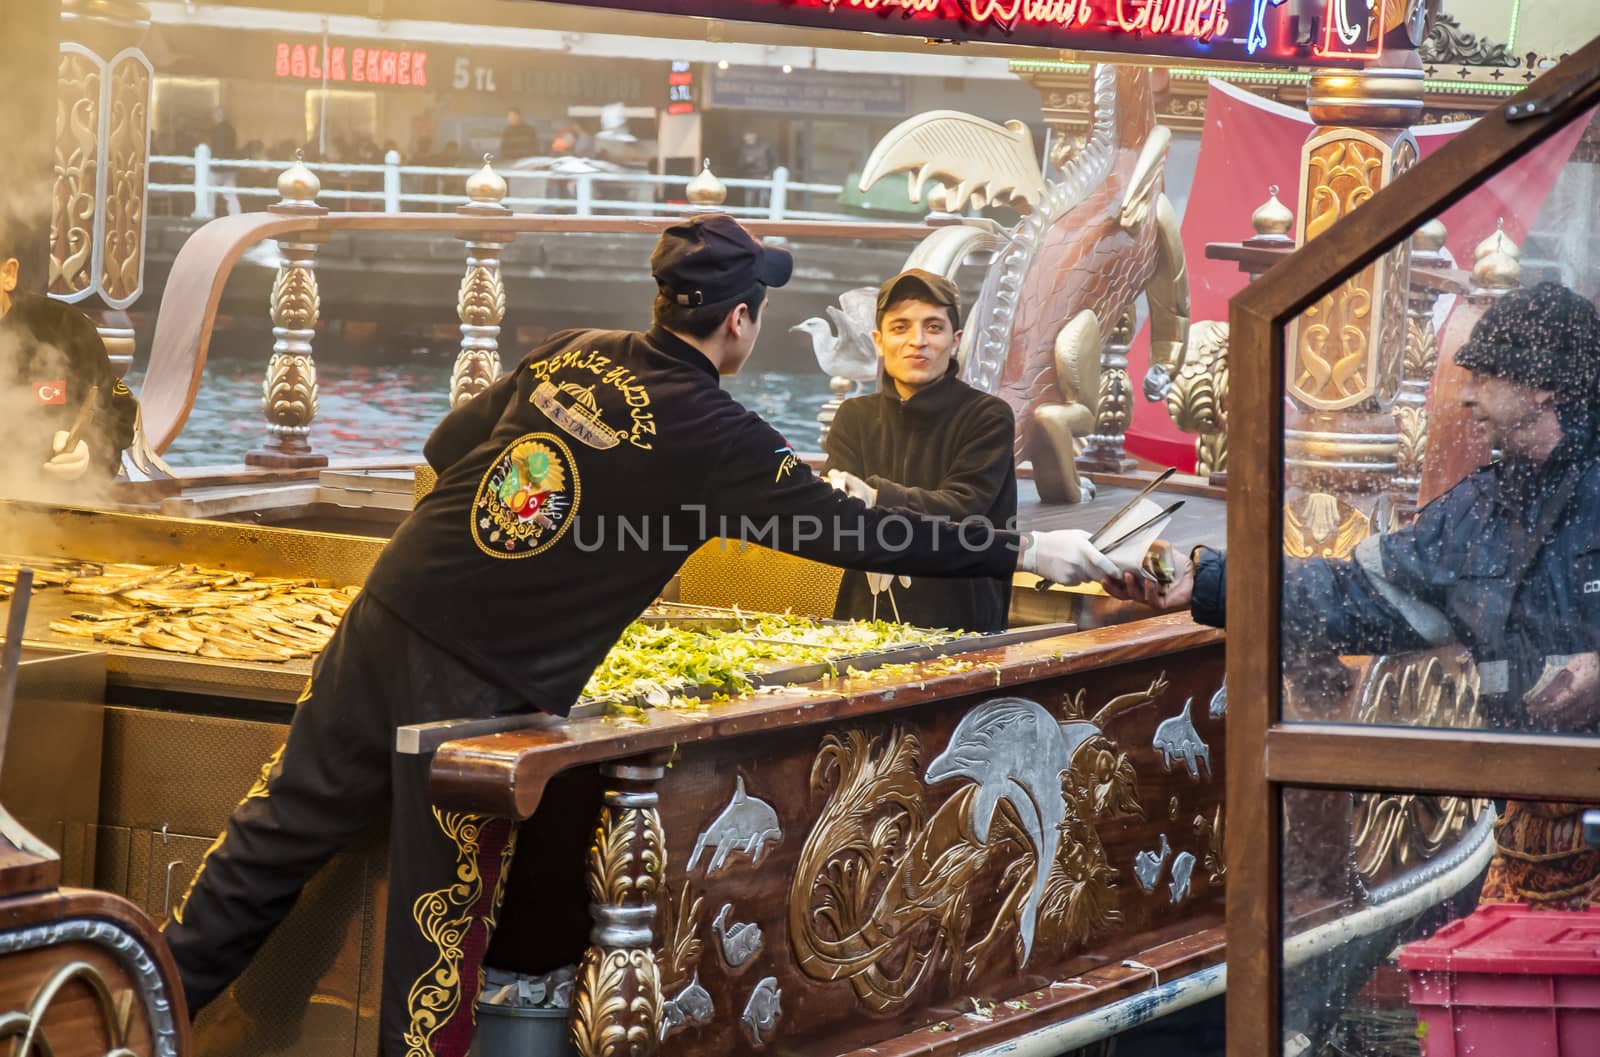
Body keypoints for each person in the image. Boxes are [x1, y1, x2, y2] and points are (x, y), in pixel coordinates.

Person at [161, 213, 1120, 1057]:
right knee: (440, 917)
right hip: (480, 677)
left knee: (272, 843)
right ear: (739, 321)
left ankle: (133, 1015)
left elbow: (449, 446)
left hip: (389, 607)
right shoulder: (716, 431)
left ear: (664, 303)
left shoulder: (575, 350)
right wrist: (1030, 547)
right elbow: (866, 530)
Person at [1105, 280, 1600, 905]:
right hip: (1530, 832)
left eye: (1487, 376)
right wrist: (1205, 579)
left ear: (1543, 386)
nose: (1467, 395)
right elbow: (1352, 595)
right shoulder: (1481, 511)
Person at [824, 269, 1016, 631]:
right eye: (900, 327)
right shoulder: (853, 416)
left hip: (960, 613)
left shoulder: (987, 415)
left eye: (933, 327)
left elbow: (964, 506)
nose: (918, 341)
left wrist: (876, 495)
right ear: (879, 341)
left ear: (955, 339)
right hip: (866, 610)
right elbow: (836, 512)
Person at [0, 251, 137, 487]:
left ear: (8, 274)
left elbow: (115, 417)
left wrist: (89, 451)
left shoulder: (64, 327)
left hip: (50, 505)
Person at [736, 129, 778, 208]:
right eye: (745, 136)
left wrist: (769, 174)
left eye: (749, 135)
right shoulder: (743, 149)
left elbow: (774, 162)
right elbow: (739, 166)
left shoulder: (765, 147)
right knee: (748, 201)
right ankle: (749, 219)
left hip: (763, 177)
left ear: (754, 135)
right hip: (749, 177)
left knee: (763, 201)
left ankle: (763, 219)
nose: (747, 138)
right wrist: (746, 162)